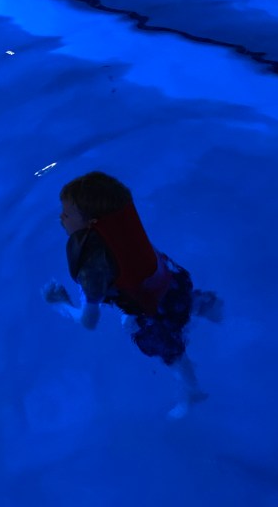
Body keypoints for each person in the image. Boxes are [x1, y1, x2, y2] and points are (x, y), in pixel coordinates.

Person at [42, 171, 222, 418]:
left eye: (67, 214)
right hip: (173, 282)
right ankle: (214, 309)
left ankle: (193, 393)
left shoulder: (92, 267)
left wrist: (61, 303)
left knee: (174, 355)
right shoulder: (119, 225)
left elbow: (89, 321)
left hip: (151, 316)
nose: (61, 217)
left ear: (91, 223)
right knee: (185, 303)